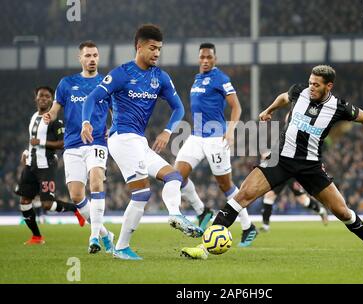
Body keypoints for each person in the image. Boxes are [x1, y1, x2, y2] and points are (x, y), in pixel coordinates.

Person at [181, 65, 363, 259]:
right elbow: (282, 97)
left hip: (310, 166)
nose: (311, 87)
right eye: (310, 83)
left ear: (329, 86)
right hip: (280, 159)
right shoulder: (300, 91)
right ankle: (203, 248)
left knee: (342, 212)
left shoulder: (340, 107)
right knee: (242, 196)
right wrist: (268, 110)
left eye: (317, 85)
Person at [81, 24, 203, 260]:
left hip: (139, 141)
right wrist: (86, 122)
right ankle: (122, 247)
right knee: (142, 193)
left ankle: (175, 214)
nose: (157, 53)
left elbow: (178, 107)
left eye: (159, 49)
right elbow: (93, 97)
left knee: (174, 176)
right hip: (122, 138)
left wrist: (168, 131)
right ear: (139, 47)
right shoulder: (121, 73)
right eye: (152, 48)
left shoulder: (160, 77)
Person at [175, 42, 258, 247]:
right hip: (196, 136)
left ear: (215, 59)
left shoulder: (221, 78)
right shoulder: (197, 79)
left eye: (209, 57)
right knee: (177, 176)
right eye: (202, 57)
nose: (205, 61)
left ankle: (248, 226)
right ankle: (202, 211)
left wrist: (230, 131)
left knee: (225, 185)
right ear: (198, 59)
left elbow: (236, 107)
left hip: (216, 138)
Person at [43, 41, 114, 254]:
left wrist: (115, 127)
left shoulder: (106, 83)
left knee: (96, 180)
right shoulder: (67, 83)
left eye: (95, 55)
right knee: (76, 196)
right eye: (88, 55)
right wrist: (50, 115)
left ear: (98, 58)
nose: (92, 59)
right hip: (73, 144)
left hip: (97, 142)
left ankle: (93, 236)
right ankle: (105, 234)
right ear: (80, 58)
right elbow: (56, 109)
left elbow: (116, 110)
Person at [15, 86, 85, 245]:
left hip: (46, 166)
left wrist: (42, 142)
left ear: (52, 100)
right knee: (25, 202)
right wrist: (27, 151)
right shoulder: (33, 117)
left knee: (47, 205)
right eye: (41, 96)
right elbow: (32, 140)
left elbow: (63, 143)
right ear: (36, 98)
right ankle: (37, 237)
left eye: (47, 96)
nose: (43, 98)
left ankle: (75, 209)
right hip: (30, 166)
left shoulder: (55, 121)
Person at [260, 177, 328, 232]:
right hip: (281, 173)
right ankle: (265, 226)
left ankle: (321, 211)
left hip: (293, 174)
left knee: (304, 201)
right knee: (269, 196)